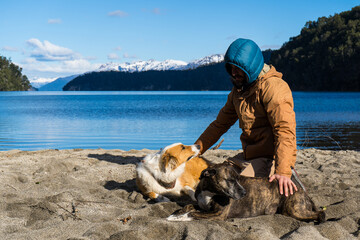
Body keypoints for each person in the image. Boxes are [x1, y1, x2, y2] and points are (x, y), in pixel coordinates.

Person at [195, 38, 298, 197]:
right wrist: (195, 149)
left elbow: (285, 131)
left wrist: (283, 171)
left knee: (235, 190)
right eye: (231, 68)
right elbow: (219, 125)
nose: (234, 73)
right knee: (212, 178)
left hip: (269, 160)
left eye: (239, 69)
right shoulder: (239, 91)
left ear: (251, 66)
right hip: (247, 157)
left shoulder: (274, 88)